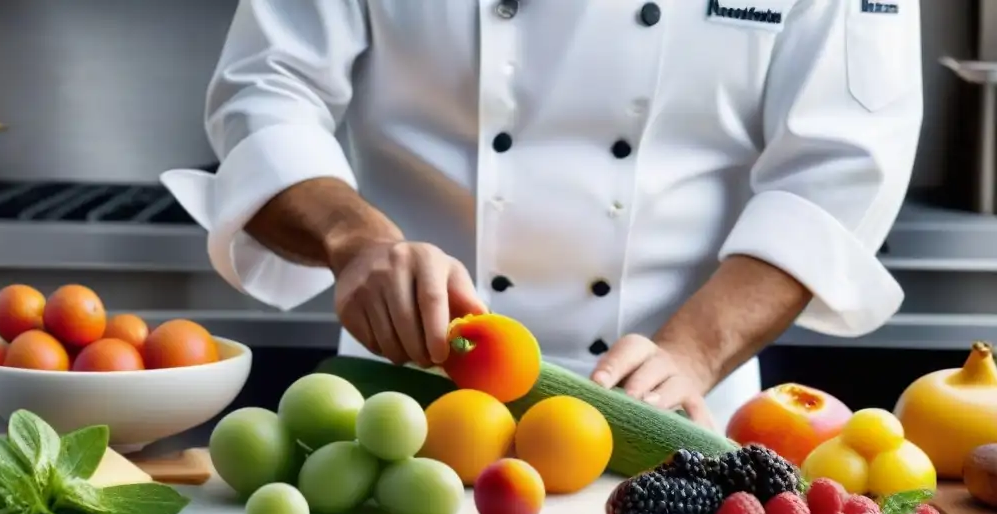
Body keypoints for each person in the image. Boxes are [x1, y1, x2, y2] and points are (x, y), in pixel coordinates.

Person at [162, 0, 922, 430]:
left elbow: (839, 166)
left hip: (679, 421)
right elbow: (265, 92)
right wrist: (356, 241)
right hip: (403, 415)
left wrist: (692, 349)